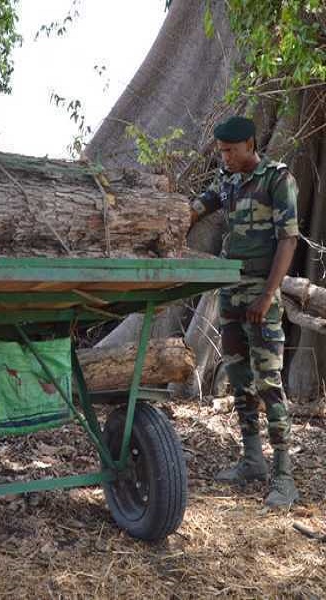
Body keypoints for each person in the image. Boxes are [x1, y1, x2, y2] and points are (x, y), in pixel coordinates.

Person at [190, 115, 300, 507]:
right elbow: (200, 206)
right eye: (221, 151)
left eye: (231, 151)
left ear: (250, 145)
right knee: (239, 378)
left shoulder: (277, 179)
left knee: (268, 382)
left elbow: (288, 241)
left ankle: (284, 476)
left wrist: (268, 296)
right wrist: (173, 216)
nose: (225, 157)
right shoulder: (228, 179)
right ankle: (252, 460)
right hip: (231, 293)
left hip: (261, 294)